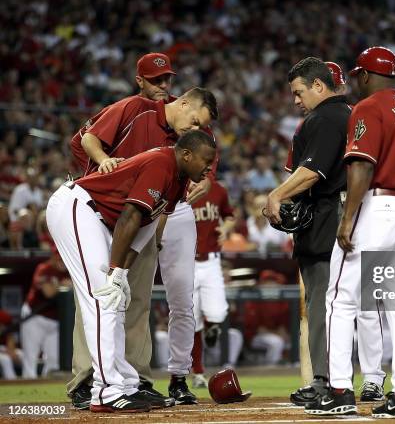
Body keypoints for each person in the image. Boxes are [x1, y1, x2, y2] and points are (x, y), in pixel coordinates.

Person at [68, 69, 218, 408]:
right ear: (181, 103)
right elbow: (83, 140)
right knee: (95, 294)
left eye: (202, 127)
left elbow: (196, 181)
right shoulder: (136, 108)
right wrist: (100, 168)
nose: (197, 129)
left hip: (144, 219)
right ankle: (85, 378)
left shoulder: (189, 145)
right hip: (105, 214)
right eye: (195, 121)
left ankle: (133, 377)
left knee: (135, 299)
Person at [305, 46, 395, 419]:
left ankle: (339, 391)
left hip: (380, 206)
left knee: (340, 300)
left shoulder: (368, 107)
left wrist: (347, 219)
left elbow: (361, 165)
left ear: (363, 75)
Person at [263, 57, 351, 405]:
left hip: (331, 216)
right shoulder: (353, 114)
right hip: (356, 213)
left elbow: (314, 171)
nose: (296, 101)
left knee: (321, 303)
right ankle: (365, 379)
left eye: (299, 92)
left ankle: (325, 381)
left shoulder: (326, 116)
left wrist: (277, 194)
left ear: (319, 85)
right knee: (351, 305)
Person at [190, 179, 235, 388]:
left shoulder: (218, 189)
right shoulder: (178, 186)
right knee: (192, 320)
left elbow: (229, 215)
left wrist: (225, 229)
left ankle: (211, 327)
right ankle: (198, 372)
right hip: (186, 262)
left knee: (217, 313)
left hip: (211, 261)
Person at [20, 247, 71, 378]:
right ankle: (26, 390)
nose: (61, 261)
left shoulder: (71, 270)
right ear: (53, 257)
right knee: (30, 357)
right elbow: (48, 293)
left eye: (63, 257)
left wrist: (60, 285)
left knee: (54, 359)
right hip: (35, 317)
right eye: (58, 257)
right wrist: (64, 285)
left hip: (55, 321)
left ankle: (45, 389)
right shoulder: (44, 269)